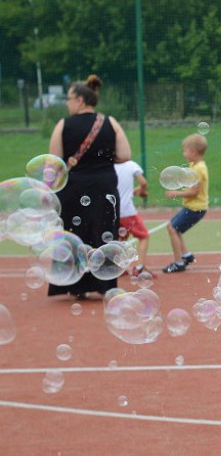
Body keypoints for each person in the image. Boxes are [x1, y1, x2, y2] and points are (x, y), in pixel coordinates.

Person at [47, 75, 132, 299]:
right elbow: (125, 155)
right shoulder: (110, 122)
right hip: (104, 185)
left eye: (69, 98)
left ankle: (76, 286)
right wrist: (102, 160)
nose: (67, 102)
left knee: (76, 234)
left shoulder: (63, 125)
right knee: (103, 233)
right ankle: (105, 285)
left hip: (73, 187)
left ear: (81, 100)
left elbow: (54, 162)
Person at [162, 133, 209, 273]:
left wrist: (176, 193)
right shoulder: (195, 166)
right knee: (173, 227)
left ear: (193, 152)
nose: (184, 154)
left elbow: (195, 191)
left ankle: (178, 263)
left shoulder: (199, 169)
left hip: (196, 208)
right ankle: (186, 256)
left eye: (185, 150)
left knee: (173, 229)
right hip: (193, 206)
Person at [115, 158, 152, 277]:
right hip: (127, 211)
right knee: (144, 236)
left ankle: (119, 268)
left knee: (120, 238)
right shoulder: (131, 165)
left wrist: (135, 192)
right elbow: (143, 182)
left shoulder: (109, 166)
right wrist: (142, 191)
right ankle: (139, 268)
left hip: (114, 211)